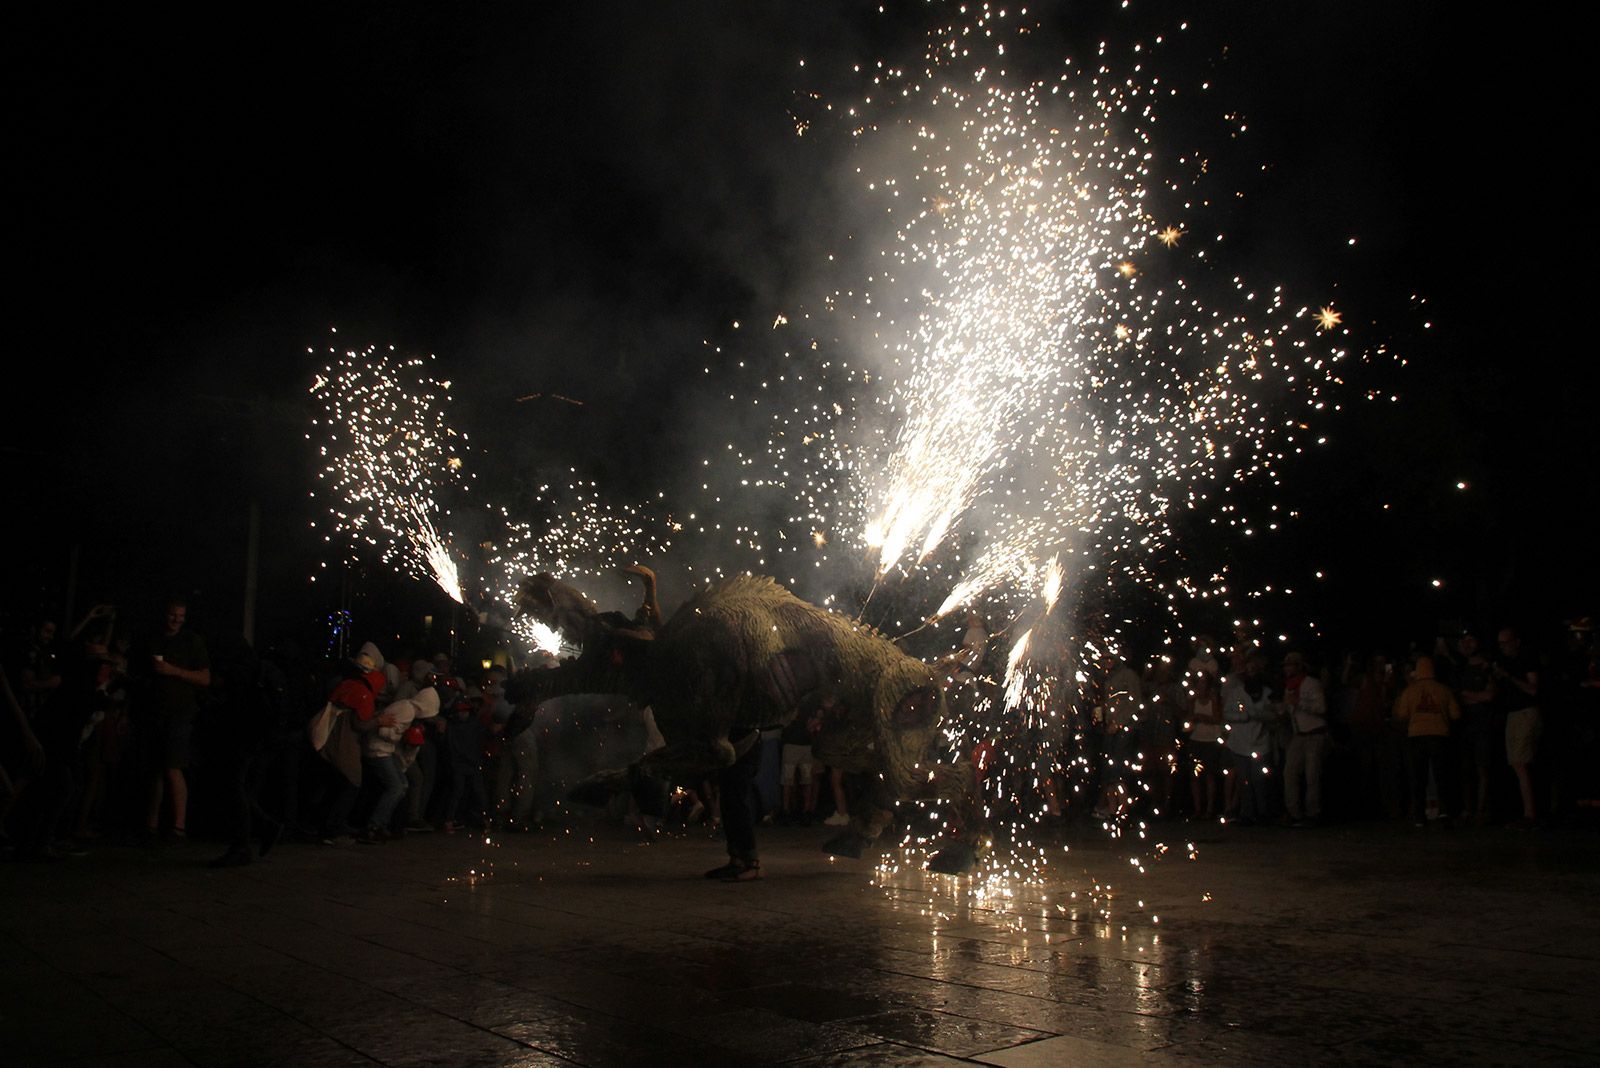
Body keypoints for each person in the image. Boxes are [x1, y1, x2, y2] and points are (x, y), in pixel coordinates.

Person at [138, 599, 210, 841]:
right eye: (173, 614)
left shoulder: (191, 641)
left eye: (181, 615)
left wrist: (173, 671)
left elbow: (204, 678)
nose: (176, 619)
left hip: (180, 712)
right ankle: (151, 824)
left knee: (173, 766)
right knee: (155, 768)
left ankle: (179, 827)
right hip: (155, 711)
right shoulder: (154, 639)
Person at [1393, 656, 1461, 825]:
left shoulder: (1410, 691)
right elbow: (1456, 714)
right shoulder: (1444, 690)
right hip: (1440, 735)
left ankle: (1419, 815)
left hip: (1416, 736)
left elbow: (1401, 714)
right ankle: (1444, 812)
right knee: (1441, 776)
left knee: (1418, 776)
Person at [1494, 628, 1541, 826]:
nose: (1503, 646)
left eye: (1506, 642)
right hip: (1512, 714)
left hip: (1525, 712)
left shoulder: (1526, 660)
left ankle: (1530, 812)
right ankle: (1523, 809)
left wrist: (1509, 677)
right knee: (1515, 761)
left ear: (1516, 641)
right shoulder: (1505, 663)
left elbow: (1532, 689)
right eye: (1500, 643)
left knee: (1521, 762)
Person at [1451, 632, 1497, 823]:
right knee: (1465, 768)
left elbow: (1490, 695)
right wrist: (1475, 696)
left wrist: (1468, 695)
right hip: (1465, 724)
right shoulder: (1461, 669)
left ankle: (1481, 809)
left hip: (1482, 723)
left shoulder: (1487, 668)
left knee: (1482, 767)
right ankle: (1468, 808)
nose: (1467, 644)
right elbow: (1458, 696)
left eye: (1471, 639)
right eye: (1464, 640)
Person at [1281, 652, 1330, 826]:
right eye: (1286, 665)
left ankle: (1313, 813)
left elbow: (1321, 707)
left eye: (1290, 665)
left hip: (1314, 734)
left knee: (1312, 775)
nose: (1287, 668)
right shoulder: (1289, 687)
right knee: (1290, 773)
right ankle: (1294, 812)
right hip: (1298, 734)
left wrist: (1299, 703)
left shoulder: (1311, 684)